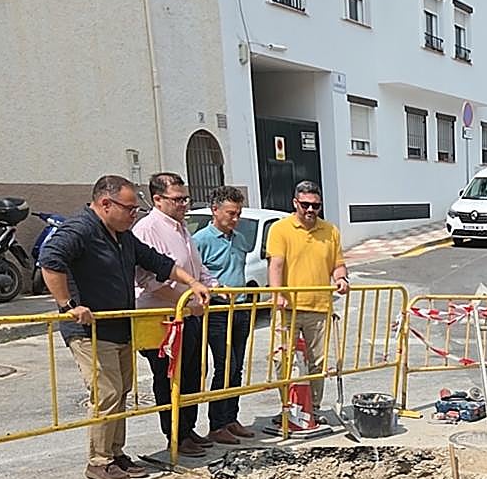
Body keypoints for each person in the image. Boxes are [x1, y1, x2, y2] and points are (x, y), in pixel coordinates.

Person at [39, 175, 210, 479]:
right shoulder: (81, 229)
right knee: (106, 393)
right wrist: (67, 306)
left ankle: (116, 454)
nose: (135, 215)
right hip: (89, 330)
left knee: (122, 391)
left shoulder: (122, 236)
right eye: (131, 209)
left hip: (119, 325)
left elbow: (158, 262)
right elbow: (50, 261)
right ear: (106, 204)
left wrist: (192, 282)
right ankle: (99, 460)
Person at [134, 172, 220, 457]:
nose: (184, 204)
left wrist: (211, 285)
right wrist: (185, 299)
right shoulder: (147, 229)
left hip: (189, 314)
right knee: (169, 377)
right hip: (162, 317)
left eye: (186, 199)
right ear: (158, 199)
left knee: (193, 373)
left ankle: (188, 429)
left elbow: (196, 267)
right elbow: (149, 280)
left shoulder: (183, 229)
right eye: (177, 199)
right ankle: (175, 434)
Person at [266, 181, 349, 422]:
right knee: (283, 360)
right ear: (295, 203)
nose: (310, 210)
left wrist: (342, 278)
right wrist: (277, 293)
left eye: (316, 205)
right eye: (305, 205)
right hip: (288, 308)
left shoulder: (330, 231)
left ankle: (311, 408)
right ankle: (288, 408)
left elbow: (338, 264)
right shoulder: (280, 229)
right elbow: (276, 265)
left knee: (318, 363)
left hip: (319, 307)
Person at [192, 186, 257, 444]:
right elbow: (196, 276)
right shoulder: (200, 240)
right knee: (224, 365)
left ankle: (231, 417)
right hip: (218, 311)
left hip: (240, 308)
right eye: (231, 213)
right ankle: (217, 424)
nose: (235, 218)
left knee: (237, 368)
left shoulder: (239, 239)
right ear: (215, 211)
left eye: (238, 213)